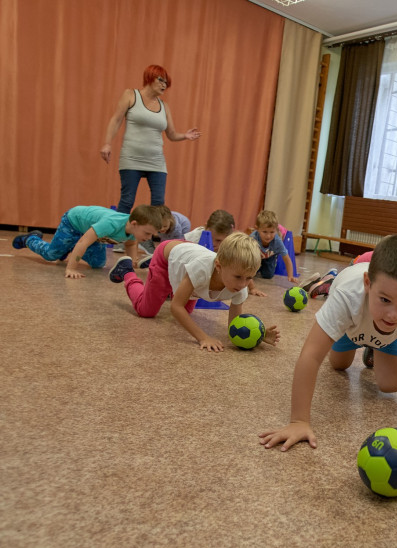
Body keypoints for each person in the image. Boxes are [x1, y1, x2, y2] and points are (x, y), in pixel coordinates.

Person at [258, 235, 397, 451]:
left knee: (391, 385)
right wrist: (298, 421)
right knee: (339, 364)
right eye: (385, 300)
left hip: (391, 334)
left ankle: (374, 345)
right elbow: (311, 355)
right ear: (367, 283)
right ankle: (327, 282)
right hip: (350, 325)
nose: (394, 314)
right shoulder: (346, 297)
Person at [109, 232, 280, 352]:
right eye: (238, 277)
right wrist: (203, 337)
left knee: (187, 311)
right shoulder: (201, 269)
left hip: (187, 256)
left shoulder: (240, 288)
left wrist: (258, 336)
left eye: (249, 278)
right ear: (219, 266)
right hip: (166, 257)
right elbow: (175, 307)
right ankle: (127, 272)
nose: (243, 284)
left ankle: (161, 272)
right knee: (146, 311)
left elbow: (234, 326)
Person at [100, 65, 201, 217]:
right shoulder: (130, 95)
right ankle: (119, 232)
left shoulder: (164, 106)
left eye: (166, 83)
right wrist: (107, 143)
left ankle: (149, 232)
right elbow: (116, 120)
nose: (164, 85)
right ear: (150, 78)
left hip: (156, 161)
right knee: (127, 201)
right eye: (161, 80)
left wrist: (185, 136)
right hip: (131, 158)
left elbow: (171, 134)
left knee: (158, 203)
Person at [12, 205, 162, 279]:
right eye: (147, 233)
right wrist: (71, 268)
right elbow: (83, 242)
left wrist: (131, 262)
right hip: (73, 223)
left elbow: (130, 243)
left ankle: (68, 248)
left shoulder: (133, 231)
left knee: (98, 263)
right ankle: (30, 239)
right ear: (134, 224)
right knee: (51, 255)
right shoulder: (111, 223)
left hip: (91, 234)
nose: (149, 238)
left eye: (152, 235)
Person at [250, 210, 299, 285]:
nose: (268, 236)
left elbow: (287, 259)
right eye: (265, 232)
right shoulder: (252, 239)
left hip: (270, 257)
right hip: (255, 257)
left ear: (276, 230)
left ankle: (266, 265)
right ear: (257, 229)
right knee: (251, 273)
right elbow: (245, 257)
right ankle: (258, 267)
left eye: (272, 232)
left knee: (268, 275)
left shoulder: (277, 241)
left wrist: (290, 276)